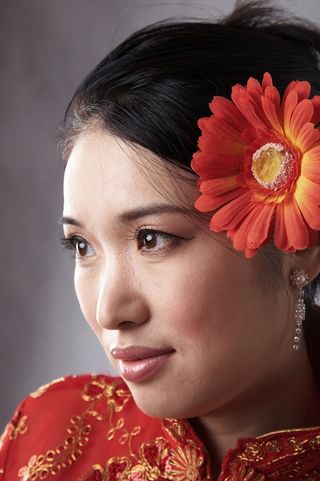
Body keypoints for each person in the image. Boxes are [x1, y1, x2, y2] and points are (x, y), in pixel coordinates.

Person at [1, 0, 320, 479]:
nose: (109, 311)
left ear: (301, 243)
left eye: (152, 239)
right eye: (82, 246)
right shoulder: (48, 441)